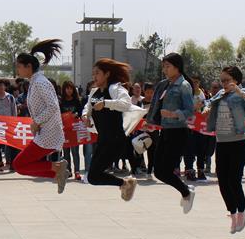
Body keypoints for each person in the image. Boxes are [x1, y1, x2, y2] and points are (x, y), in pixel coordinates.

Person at [11, 40, 69, 193]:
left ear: (28, 66)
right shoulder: (35, 81)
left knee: (18, 165)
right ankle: (57, 171)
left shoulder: (39, 82)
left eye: (19, 66)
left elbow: (53, 106)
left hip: (49, 133)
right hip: (45, 132)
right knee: (20, 165)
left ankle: (57, 169)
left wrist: (36, 122)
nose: (17, 69)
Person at [206, 66, 245, 233]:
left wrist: (239, 91)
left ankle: (242, 211)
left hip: (237, 142)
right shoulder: (220, 94)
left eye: (227, 80)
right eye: (222, 80)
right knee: (222, 181)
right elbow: (208, 104)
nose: (224, 83)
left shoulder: (242, 94)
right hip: (221, 142)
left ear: (236, 80)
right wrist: (206, 109)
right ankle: (233, 213)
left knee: (234, 180)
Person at [146, 53, 197, 212]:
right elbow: (156, 105)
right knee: (158, 171)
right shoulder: (165, 85)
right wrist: (151, 121)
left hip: (178, 132)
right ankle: (186, 191)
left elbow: (190, 111)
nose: (165, 70)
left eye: (168, 66)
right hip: (165, 131)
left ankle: (186, 192)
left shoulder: (184, 86)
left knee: (165, 171)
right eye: (164, 66)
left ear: (177, 67)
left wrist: (173, 114)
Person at [81, 58, 138, 201]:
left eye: (97, 73)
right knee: (92, 177)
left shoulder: (115, 89)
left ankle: (125, 183)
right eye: (93, 73)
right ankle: (125, 183)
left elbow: (126, 104)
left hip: (115, 140)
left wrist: (106, 103)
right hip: (102, 139)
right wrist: (85, 116)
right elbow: (87, 107)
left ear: (107, 74)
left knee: (94, 176)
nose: (94, 76)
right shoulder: (94, 92)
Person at [59, 80, 83, 179]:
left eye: (71, 88)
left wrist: (76, 114)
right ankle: (68, 171)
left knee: (75, 152)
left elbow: (81, 112)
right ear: (64, 89)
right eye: (67, 88)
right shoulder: (61, 101)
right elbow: (59, 114)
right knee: (66, 152)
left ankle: (77, 171)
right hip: (65, 130)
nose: (69, 90)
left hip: (74, 130)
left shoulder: (76, 101)